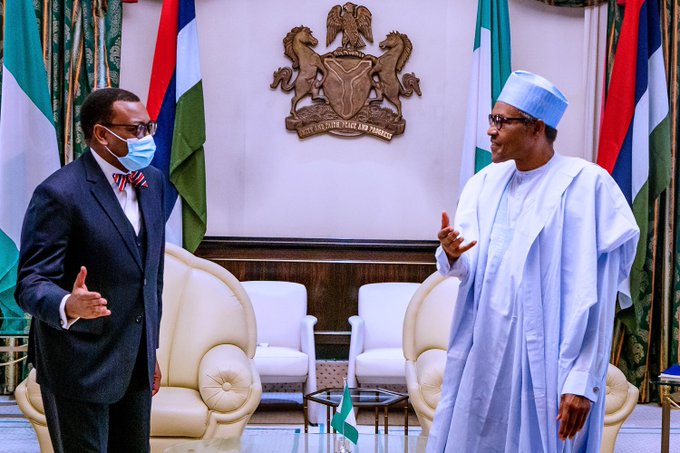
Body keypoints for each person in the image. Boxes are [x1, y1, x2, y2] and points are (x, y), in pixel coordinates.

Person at [427, 71, 639, 453]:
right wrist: (453, 254)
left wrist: (582, 379)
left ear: (536, 127)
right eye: (492, 119)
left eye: (501, 121)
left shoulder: (587, 186)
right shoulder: (484, 184)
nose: (490, 131)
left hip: (547, 362)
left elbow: (601, 298)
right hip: (484, 355)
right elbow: (468, 270)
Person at [15, 88, 166, 452]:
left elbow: (151, 277)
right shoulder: (59, 193)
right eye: (135, 130)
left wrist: (151, 352)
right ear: (101, 134)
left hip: (134, 363)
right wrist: (68, 303)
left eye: (149, 127)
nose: (146, 138)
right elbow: (30, 282)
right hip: (78, 364)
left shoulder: (153, 183)